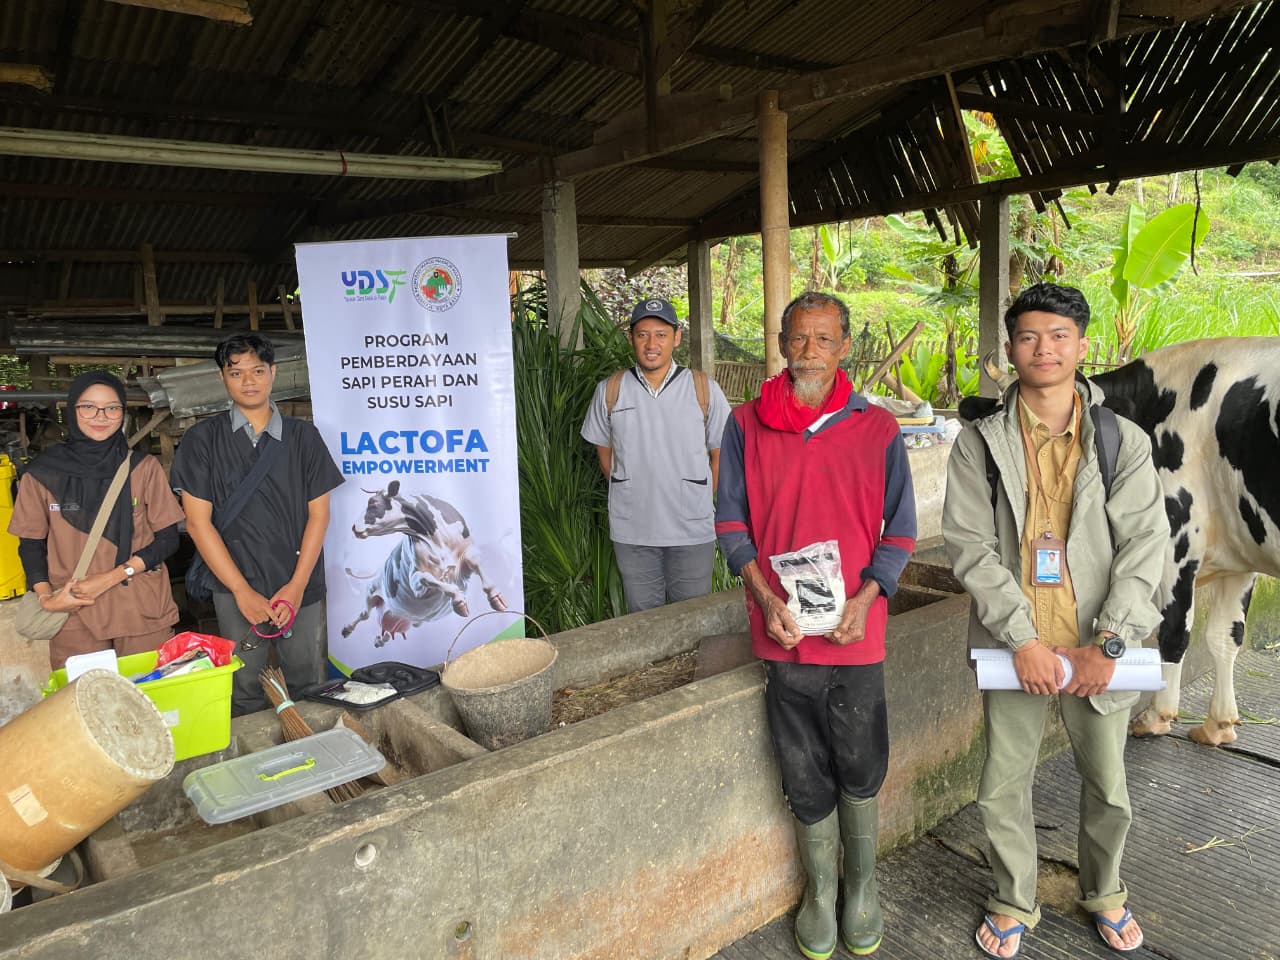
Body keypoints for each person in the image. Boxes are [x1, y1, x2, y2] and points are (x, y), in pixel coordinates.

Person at [941, 282, 1167, 958]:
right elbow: (969, 548)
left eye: (1059, 335)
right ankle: (1013, 896)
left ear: (1082, 346)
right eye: (1030, 336)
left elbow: (1146, 545)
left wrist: (1111, 639)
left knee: (1108, 784)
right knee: (1002, 784)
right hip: (1017, 645)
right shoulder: (979, 444)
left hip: (1099, 640)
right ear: (1010, 350)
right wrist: (1023, 641)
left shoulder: (1120, 439)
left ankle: (1105, 892)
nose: (1044, 348)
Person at [716, 291, 916, 959]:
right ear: (780, 341)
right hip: (786, 632)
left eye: (824, 339)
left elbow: (902, 532)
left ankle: (862, 888)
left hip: (856, 634)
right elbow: (731, 523)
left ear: (844, 348)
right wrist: (765, 597)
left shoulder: (879, 429)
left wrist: (864, 600)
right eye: (798, 338)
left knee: (860, 761)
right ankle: (819, 893)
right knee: (801, 765)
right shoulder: (746, 425)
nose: (810, 351)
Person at [170, 334, 343, 715]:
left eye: (258, 370)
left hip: (299, 585)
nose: (249, 381)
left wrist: (296, 588)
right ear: (223, 378)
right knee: (244, 688)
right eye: (237, 372)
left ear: (273, 373)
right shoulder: (202, 441)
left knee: (308, 682)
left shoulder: (304, 438)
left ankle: (317, 761)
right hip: (235, 587)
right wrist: (241, 591)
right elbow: (198, 525)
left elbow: (320, 514)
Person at [8, 371, 183, 669]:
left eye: (112, 408)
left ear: (122, 414)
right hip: (74, 606)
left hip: (140, 605)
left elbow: (168, 538)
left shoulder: (143, 468)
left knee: (149, 697)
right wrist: (46, 598)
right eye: (88, 406)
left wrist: (115, 576)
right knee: (84, 701)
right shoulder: (41, 474)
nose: (100, 416)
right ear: (73, 410)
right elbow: (30, 543)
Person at [581, 296, 731, 612]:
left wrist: (697, 495)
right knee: (642, 619)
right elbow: (604, 452)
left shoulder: (703, 388)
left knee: (693, 618)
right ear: (631, 338)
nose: (652, 343)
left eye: (661, 334)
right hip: (633, 532)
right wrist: (631, 489)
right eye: (643, 334)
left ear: (676, 337)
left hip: (691, 531)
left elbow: (720, 454)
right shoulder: (610, 389)